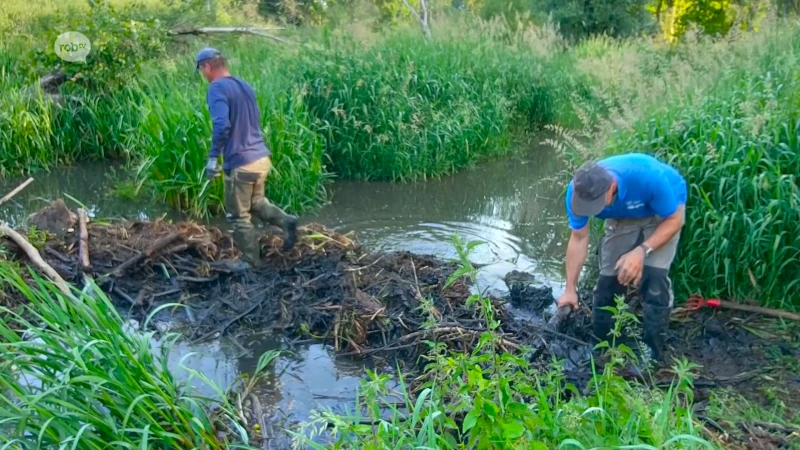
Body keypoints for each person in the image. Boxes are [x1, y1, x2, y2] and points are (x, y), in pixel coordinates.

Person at [556, 153, 687, 362]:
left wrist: (641, 251)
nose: (588, 210)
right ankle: (602, 345)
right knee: (609, 279)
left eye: (594, 205)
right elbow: (579, 238)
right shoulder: (577, 192)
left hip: (663, 213)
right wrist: (570, 289)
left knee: (654, 278)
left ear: (612, 187)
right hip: (622, 214)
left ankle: (652, 353)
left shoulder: (647, 177)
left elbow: (675, 220)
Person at [196, 47, 297, 265]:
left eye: (201, 70)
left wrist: (213, 158)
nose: (203, 75)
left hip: (241, 163)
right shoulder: (244, 86)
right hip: (260, 158)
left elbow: (222, 125)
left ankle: (252, 263)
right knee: (257, 202)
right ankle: (286, 221)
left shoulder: (216, 88)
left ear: (207, 66)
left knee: (238, 216)